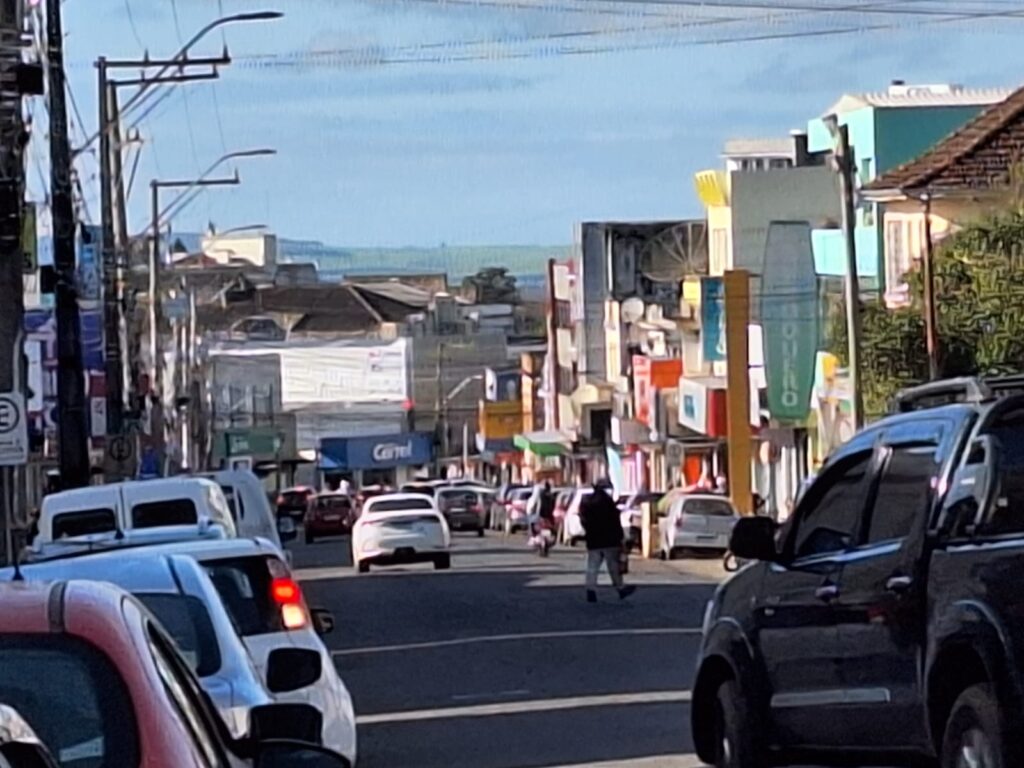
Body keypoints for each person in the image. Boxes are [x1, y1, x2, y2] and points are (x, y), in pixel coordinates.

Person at [580, 478, 636, 603]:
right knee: (614, 567)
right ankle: (620, 589)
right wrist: (621, 538)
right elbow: (615, 522)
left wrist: (588, 532)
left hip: (593, 540)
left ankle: (591, 591)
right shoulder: (608, 503)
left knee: (592, 567)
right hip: (610, 541)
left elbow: (583, 520)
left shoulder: (587, 502)